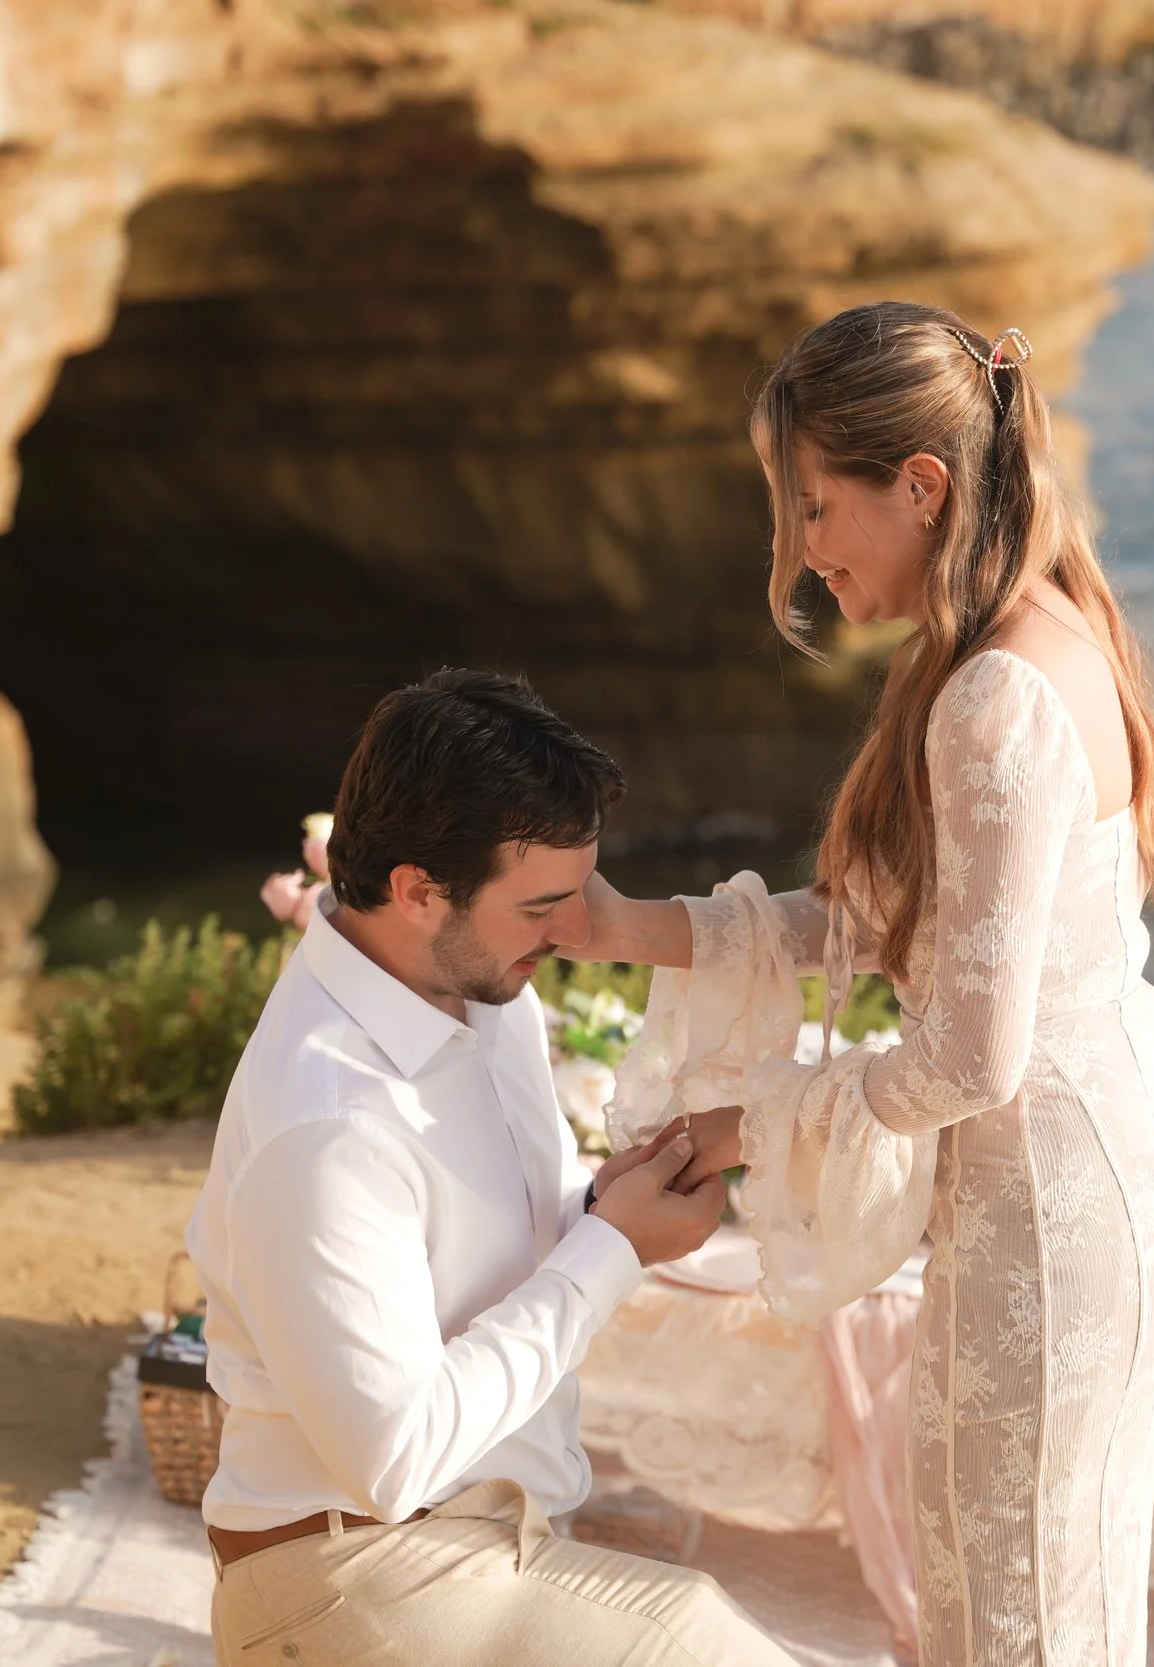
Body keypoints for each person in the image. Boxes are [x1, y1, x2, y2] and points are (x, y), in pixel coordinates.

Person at [580, 301, 1154, 1666]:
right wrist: (626, 923)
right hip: (1084, 1184)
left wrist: (741, 1120)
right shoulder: (1028, 639)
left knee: (1017, 1618)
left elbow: (971, 1057)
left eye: (818, 505)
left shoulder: (993, 695)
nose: (804, 547)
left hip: (1052, 1207)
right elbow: (883, 927)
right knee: (1038, 1607)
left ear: (920, 488)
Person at [185, 668, 797, 1667]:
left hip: (476, 1546)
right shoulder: (327, 1122)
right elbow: (397, 1455)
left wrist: (599, 1206)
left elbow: (480, 1250)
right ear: (418, 890)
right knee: (705, 1644)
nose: (576, 932)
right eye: (543, 906)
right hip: (345, 1582)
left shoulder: (489, 998)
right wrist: (608, 1248)